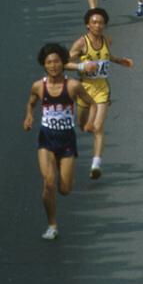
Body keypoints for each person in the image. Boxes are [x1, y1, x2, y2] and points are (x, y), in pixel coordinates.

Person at [23, 42, 97, 240]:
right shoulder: (39, 86)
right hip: (46, 138)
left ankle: (66, 174)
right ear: (44, 65)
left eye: (56, 61)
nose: (53, 65)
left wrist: (89, 122)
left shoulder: (72, 86)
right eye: (49, 62)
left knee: (64, 189)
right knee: (48, 183)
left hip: (67, 140)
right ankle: (52, 224)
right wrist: (29, 117)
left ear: (63, 63)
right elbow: (31, 103)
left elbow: (92, 103)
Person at [67, 8, 133, 180]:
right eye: (94, 22)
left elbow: (107, 56)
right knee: (83, 126)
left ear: (104, 25)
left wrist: (121, 61)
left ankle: (96, 165)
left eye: (101, 22)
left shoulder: (106, 40)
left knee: (97, 127)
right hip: (84, 89)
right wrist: (82, 66)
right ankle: (89, 133)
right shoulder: (81, 43)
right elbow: (65, 63)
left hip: (102, 89)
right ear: (87, 25)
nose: (98, 25)